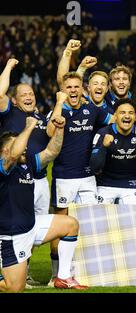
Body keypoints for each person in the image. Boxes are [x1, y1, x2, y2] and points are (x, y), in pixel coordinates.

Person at [0, 115, 88, 292]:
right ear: (4, 151)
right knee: (14, 288)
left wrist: (60, 129)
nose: (24, 148)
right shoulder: (3, 166)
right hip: (12, 236)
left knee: (70, 225)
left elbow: (51, 152)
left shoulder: (27, 164)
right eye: (17, 144)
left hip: (31, 225)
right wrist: (30, 127)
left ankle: (63, 277)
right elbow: (15, 153)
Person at [46, 72, 113, 285]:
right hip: (64, 177)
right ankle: (56, 274)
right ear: (63, 91)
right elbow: (50, 132)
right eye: (69, 88)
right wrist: (59, 104)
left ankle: (86, 271)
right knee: (60, 226)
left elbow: (114, 120)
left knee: (90, 224)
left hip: (87, 177)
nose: (73, 90)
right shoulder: (59, 111)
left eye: (76, 87)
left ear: (82, 89)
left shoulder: (91, 110)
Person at [0, 58, 51, 286]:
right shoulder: (9, 113)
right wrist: (9, 67)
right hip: (13, 178)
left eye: (31, 93)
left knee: (31, 229)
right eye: (24, 95)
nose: (29, 97)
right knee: (14, 224)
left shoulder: (40, 117)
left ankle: (24, 270)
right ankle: (9, 272)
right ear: (15, 100)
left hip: (40, 178)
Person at [90, 98, 136, 204]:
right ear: (115, 116)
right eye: (122, 113)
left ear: (135, 117)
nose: (127, 116)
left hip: (131, 185)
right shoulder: (103, 133)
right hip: (105, 185)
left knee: (134, 219)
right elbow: (94, 167)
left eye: (131, 113)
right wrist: (103, 147)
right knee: (101, 218)